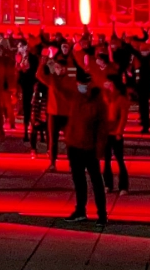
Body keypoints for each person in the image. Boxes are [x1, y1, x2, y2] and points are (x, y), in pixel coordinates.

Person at [61, 71, 108, 224]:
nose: (80, 86)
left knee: (96, 181)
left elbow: (102, 128)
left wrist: (99, 149)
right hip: (74, 145)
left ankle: (102, 213)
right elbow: (55, 86)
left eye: (83, 84)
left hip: (89, 147)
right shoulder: (76, 97)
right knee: (78, 180)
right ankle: (81, 210)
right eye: (79, 84)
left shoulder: (97, 102)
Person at [100, 78, 131, 195]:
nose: (109, 87)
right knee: (106, 160)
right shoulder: (105, 98)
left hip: (115, 134)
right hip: (105, 133)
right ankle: (107, 184)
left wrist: (119, 132)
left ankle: (123, 186)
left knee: (119, 160)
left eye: (111, 85)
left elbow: (123, 118)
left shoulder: (121, 100)